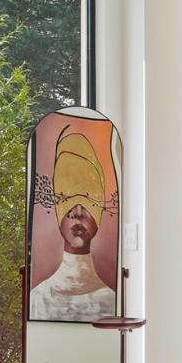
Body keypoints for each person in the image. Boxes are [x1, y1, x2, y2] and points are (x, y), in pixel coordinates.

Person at [28, 125, 117, 322]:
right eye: (67, 202)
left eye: (88, 203)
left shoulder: (112, 302)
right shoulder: (36, 300)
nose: (77, 215)